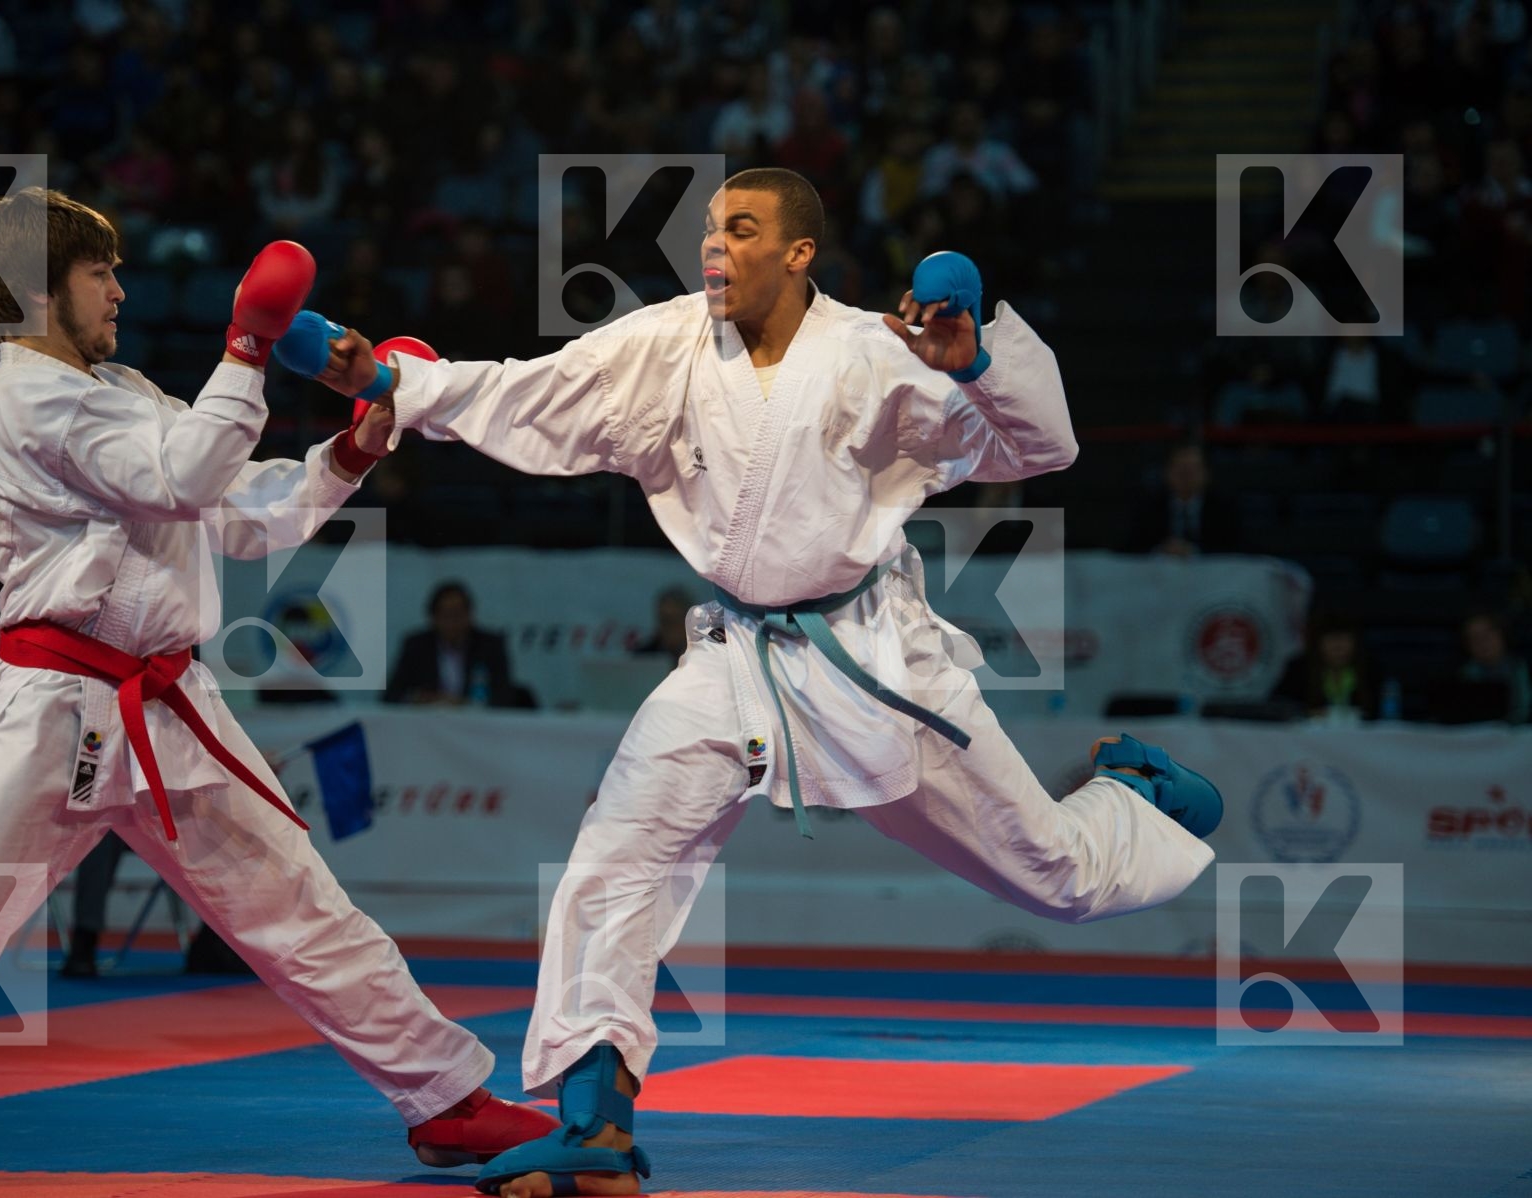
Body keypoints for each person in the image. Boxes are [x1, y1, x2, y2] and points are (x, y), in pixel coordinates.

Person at [297, 167, 1221, 1198]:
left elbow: (1043, 447)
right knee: (615, 859)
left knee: (1055, 876)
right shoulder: (669, 342)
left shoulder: (881, 352)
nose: (714, 246)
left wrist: (976, 365)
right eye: (709, 227)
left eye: (741, 228)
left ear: (798, 252)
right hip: (734, 656)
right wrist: (392, 381)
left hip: (872, 660)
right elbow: (533, 388)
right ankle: (595, 1127)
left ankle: (1137, 795)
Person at [0, 188, 553, 1191]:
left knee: (302, 908)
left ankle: (447, 1102)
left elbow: (241, 513)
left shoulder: (121, 389)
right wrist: (247, 348)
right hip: (55, 708)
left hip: (171, 702)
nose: (121, 290)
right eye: (100, 272)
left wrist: (352, 448)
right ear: (38, 289)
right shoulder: (23, 401)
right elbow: (184, 477)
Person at [384, 581, 527, 707]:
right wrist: (418, 699)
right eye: (446, 615)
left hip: (476, 724)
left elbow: (505, 696)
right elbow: (391, 694)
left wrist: (466, 703)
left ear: (470, 615)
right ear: (433, 618)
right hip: (426, 723)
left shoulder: (490, 645)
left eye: (458, 614)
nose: (453, 622)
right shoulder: (416, 646)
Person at [1127, 442, 1242, 557]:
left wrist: (1195, 552)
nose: (1186, 477)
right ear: (1167, 472)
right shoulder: (1148, 507)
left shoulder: (1224, 508)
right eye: (1181, 470)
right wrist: (1160, 550)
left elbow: (1238, 548)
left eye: (1193, 470)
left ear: (1206, 473)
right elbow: (1128, 547)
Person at [1270, 613, 1377, 722]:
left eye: (1344, 639)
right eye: (1331, 639)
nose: (1338, 647)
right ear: (1318, 643)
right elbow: (1277, 704)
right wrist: (1305, 712)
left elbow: (1377, 710)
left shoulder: (1370, 669)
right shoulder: (1298, 669)